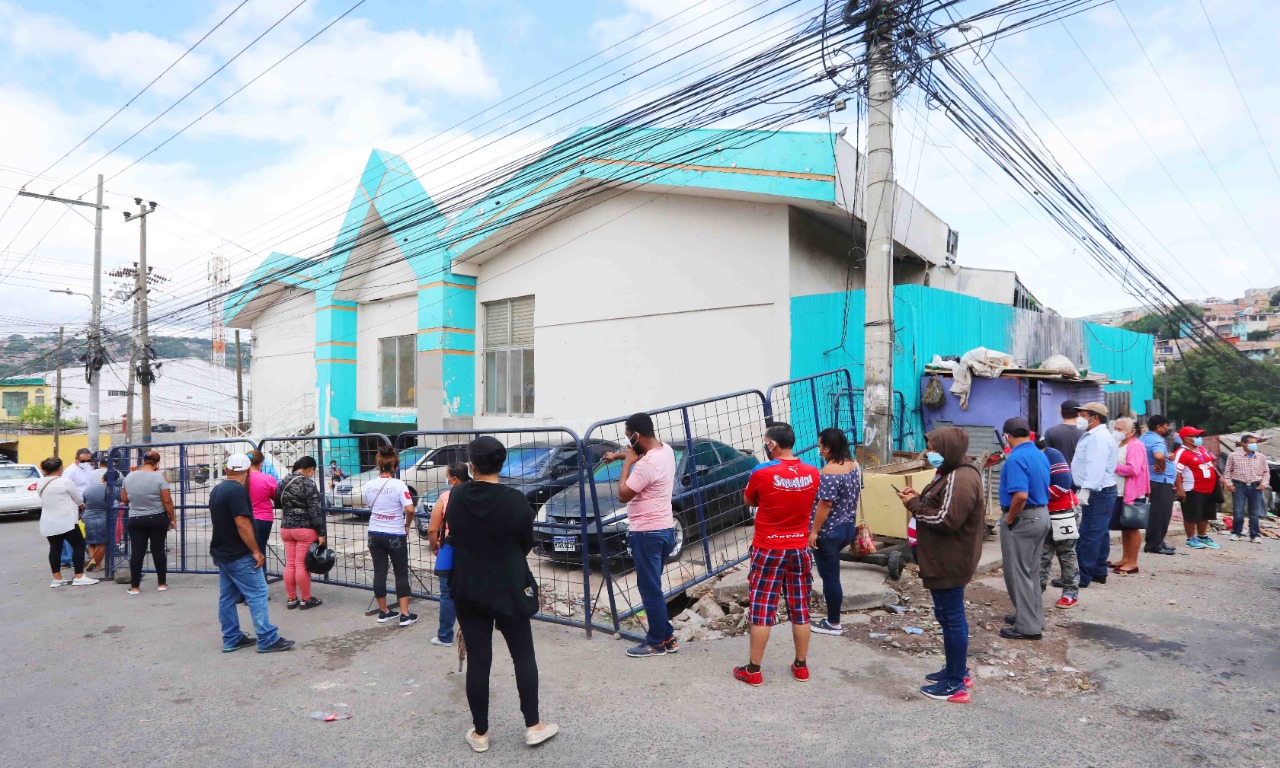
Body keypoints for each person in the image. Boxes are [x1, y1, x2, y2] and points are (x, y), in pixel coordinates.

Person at [446, 436, 558, 752]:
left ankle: (480, 733)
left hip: (468, 587)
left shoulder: (456, 497)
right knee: (523, 654)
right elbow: (526, 544)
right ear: (502, 463)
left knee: (479, 660)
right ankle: (533, 726)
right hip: (510, 585)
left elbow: (455, 533)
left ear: (471, 465)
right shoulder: (516, 502)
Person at [897, 427, 985, 704]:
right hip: (942, 558)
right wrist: (918, 499)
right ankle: (955, 669)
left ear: (947, 449)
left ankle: (956, 684)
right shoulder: (950, 472)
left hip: (949, 560)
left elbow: (946, 520)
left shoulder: (960, 478)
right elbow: (938, 506)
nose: (930, 453)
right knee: (947, 617)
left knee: (952, 618)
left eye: (934, 448)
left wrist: (914, 506)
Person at [734, 422, 821, 686]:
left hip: (768, 547)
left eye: (766, 441)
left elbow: (749, 500)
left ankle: (754, 669)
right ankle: (801, 666)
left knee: (762, 608)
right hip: (799, 547)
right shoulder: (813, 472)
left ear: (772, 444)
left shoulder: (761, 471)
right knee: (800, 607)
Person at [602, 412, 678, 658]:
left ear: (636, 435)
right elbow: (641, 453)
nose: (627, 442)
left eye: (627, 438)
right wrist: (618, 455)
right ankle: (667, 636)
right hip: (665, 529)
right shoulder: (665, 450)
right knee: (653, 586)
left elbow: (623, 494)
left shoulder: (646, 465)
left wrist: (625, 464)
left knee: (649, 590)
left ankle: (656, 643)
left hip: (647, 533)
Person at [210, 453, 293, 653]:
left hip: (222, 552)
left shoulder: (217, 490)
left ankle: (231, 637)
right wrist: (256, 551)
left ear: (227, 469)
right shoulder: (237, 492)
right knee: (258, 593)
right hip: (239, 553)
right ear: (248, 471)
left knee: (227, 596)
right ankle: (267, 637)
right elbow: (242, 523)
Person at [996, 417, 1051, 641]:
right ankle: (1033, 616)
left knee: (1018, 573)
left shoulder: (1016, 458)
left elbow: (1020, 495)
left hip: (1023, 518)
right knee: (1031, 571)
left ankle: (1028, 626)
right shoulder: (1039, 454)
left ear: (1007, 437)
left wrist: (1009, 519)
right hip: (1041, 515)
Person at [809, 428, 861, 636]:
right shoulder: (854, 465)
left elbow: (825, 505)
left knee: (830, 577)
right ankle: (832, 618)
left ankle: (833, 622)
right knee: (832, 575)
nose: (819, 449)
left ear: (828, 448)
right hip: (848, 527)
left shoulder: (830, 472)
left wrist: (814, 532)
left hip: (829, 532)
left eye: (820, 446)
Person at [364, 445, 417, 626]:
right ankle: (404, 614)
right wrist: (407, 524)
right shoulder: (398, 485)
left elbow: (369, 505)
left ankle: (384, 611)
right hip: (394, 532)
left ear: (379, 464)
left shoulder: (369, 485)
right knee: (400, 572)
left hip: (374, 533)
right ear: (395, 465)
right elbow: (410, 509)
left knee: (380, 571)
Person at [1071, 402, 1118, 587]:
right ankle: (1098, 571)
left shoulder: (1098, 438)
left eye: (1082, 415)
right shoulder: (1093, 435)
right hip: (1101, 490)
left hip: (1097, 491)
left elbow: (1095, 467)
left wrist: (1086, 490)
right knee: (1100, 532)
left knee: (1089, 533)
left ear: (1094, 417)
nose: (1079, 419)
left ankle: (1081, 576)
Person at [121, 450, 177, 594]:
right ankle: (162, 583)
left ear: (143, 461)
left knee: (137, 552)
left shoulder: (129, 477)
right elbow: (167, 500)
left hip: (136, 519)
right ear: (157, 463)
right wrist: (172, 518)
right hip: (157, 518)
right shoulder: (160, 478)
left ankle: (134, 587)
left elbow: (125, 499)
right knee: (158, 550)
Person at [427, 461, 470, 647]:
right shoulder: (477, 494)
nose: (446, 478)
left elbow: (432, 529)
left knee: (447, 593)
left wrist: (435, 545)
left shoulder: (446, 497)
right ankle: (472, 633)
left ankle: (445, 636)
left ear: (454, 479)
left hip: (450, 548)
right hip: (473, 549)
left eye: (447, 475)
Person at [38, 456, 97, 588]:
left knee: (55, 548)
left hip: (48, 521)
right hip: (66, 521)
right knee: (79, 545)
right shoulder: (65, 482)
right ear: (60, 469)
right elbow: (78, 499)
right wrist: (81, 505)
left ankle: (57, 578)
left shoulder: (41, 483)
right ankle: (79, 576)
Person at [276, 456, 326, 610]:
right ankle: (306, 599)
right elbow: (314, 511)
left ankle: (291, 599)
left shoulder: (283, 481)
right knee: (301, 565)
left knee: (290, 564)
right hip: (304, 529)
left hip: (286, 528)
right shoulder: (308, 483)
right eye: (312, 470)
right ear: (310, 468)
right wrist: (321, 532)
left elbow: (277, 502)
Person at [1037, 439, 1080, 609]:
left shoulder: (1052, 455)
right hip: (1042, 512)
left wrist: (1035, 495)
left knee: (1066, 553)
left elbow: (1063, 485)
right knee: (1041, 555)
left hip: (1063, 512)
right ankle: (1036, 592)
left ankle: (1070, 592)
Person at [1110, 418, 1150, 575]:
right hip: (1119, 491)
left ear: (1132, 431)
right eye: (1115, 428)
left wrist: (1113, 467)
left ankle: (1133, 562)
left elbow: (1133, 469)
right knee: (1124, 527)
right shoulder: (1118, 444)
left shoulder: (1136, 445)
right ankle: (1125, 558)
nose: (1116, 431)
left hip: (1132, 492)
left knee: (1132, 527)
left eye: (1120, 429)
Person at [1174, 426, 1221, 550]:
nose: (1198, 438)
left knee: (1205, 514)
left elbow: (1210, 464)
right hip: (1192, 488)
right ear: (1187, 439)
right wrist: (1180, 489)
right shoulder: (1181, 452)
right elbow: (1176, 472)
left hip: (1209, 488)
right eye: (1195, 436)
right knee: (1191, 515)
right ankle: (1190, 538)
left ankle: (1202, 536)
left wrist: (1220, 476)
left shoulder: (1201, 449)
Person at [1140, 416, 1178, 555]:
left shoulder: (1144, 438)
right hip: (1160, 480)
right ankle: (1154, 544)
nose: (1168, 429)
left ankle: (1158, 541)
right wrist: (1162, 466)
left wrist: (1166, 457)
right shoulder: (1156, 440)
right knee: (1161, 513)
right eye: (1166, 426)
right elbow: (1158, 456)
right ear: (1159, 427)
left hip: (1153, 479)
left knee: (1157, 512)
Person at [1224, 434, 1270, 544]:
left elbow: (1266, 472)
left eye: (1255, 443)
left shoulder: (1260, 456)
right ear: (1243, 443)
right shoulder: (1234, 455)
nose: (1254, 445)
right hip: (1239, 486)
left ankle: (1254, 535)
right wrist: (1229, 484)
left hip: (1256, 487)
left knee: (1254, 513)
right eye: (1251, 443)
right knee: (1238, 512)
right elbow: (1227, 471)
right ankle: (1236, 533)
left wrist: (1264, 484)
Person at [247, 450, 279, 585]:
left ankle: (242, 591)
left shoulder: (241, 479)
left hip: (243, 519)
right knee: (259, 552)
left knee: (244, 553)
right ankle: (259, 586)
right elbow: (277, 497)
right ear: (261, 464)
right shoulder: (268, 479)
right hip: (263, 519)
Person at [82, 469, 114, 572]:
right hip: (103, 517)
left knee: (90, 540)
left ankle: (92, 560)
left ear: (102, 478)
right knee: (101, 542)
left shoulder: (88, 489)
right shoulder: (112, 489)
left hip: (87, 517)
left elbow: (84, 502)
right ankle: (98, 565)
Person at [1043, 399, 1085, 465]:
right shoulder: (1084, 433)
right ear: (1078, 414)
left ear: (1061, 412)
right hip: (1079, 474)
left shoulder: (1051, 432)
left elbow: (1045, 456)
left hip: (1058, 474)